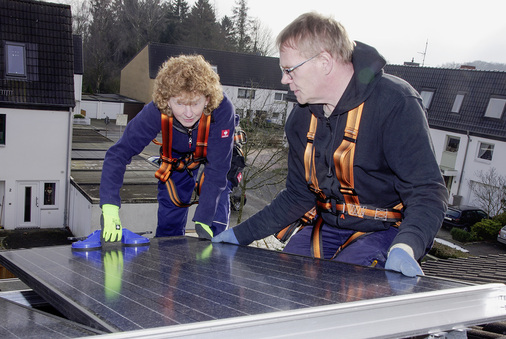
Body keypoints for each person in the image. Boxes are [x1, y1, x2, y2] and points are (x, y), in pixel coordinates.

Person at [213, 12, 448, 277]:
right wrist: (239, 235)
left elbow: (427, 191)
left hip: (384, 232)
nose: (284, 80)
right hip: (327, 226)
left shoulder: (395, 103)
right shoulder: (302, 119)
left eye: (289, 70)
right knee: (291, 278)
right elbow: (298, 196)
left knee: (344, 286)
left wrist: (407, 246)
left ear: (324, 62)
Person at [100, 54, 237, 242]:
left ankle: (215, 259)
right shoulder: (156, 111)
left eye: (195, 103)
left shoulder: (222, 109)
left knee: (215, 223)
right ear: (167, 100)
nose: (188, 114)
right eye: (179, 103)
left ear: (207, 99)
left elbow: (218, 169)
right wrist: (109, 206)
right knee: (168, 226)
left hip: (217, 159)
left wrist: (203, 218)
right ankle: (167, 266)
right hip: (177, 161)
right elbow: (118, 153)